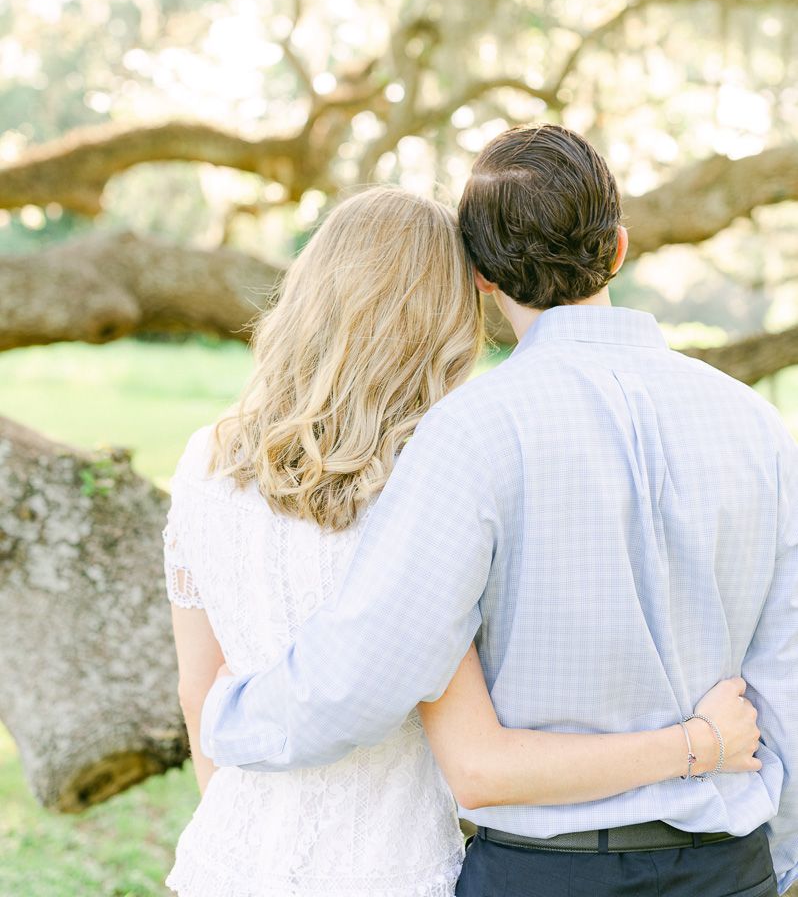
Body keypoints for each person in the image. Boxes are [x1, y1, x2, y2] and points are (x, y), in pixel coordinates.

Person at [199, 127, 798, 897]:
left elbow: (367, 672)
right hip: (728, 863)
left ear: (481, 276)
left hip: (544, 873)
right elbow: (785, 672)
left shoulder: (469, 433)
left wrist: (230, 717)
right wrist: (776, 858)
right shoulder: (755, 424)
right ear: (617, 249)